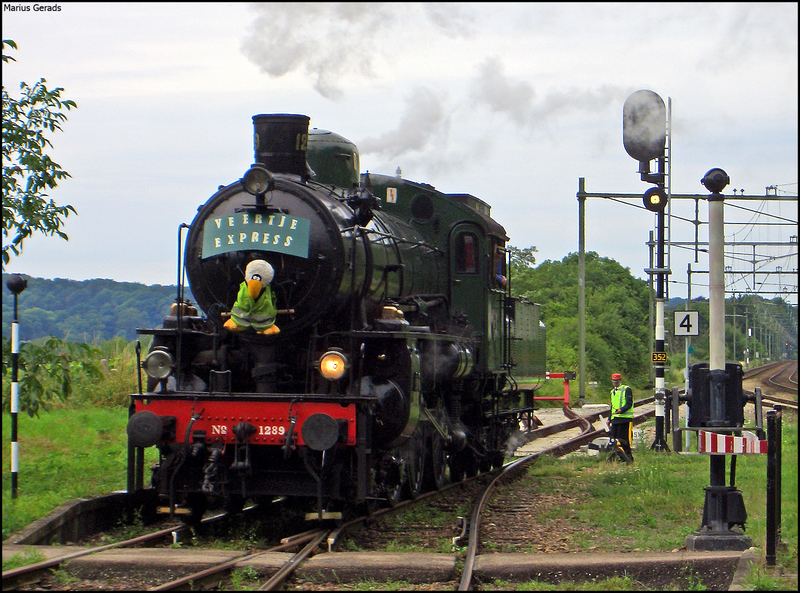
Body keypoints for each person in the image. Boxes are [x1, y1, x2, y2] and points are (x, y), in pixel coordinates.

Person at [609, 373, 634, 462]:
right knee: (614, 439)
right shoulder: (612, 392)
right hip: (615, 419)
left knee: (623, 439)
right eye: (613, 382)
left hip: (624, 418)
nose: (615, 383)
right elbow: (612, 406)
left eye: (616, 381)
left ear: (620, 381)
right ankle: (620, 457)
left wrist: (621, 410)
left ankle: (628, 457)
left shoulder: (626, 389)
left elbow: (629, 403)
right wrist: (609, 419)